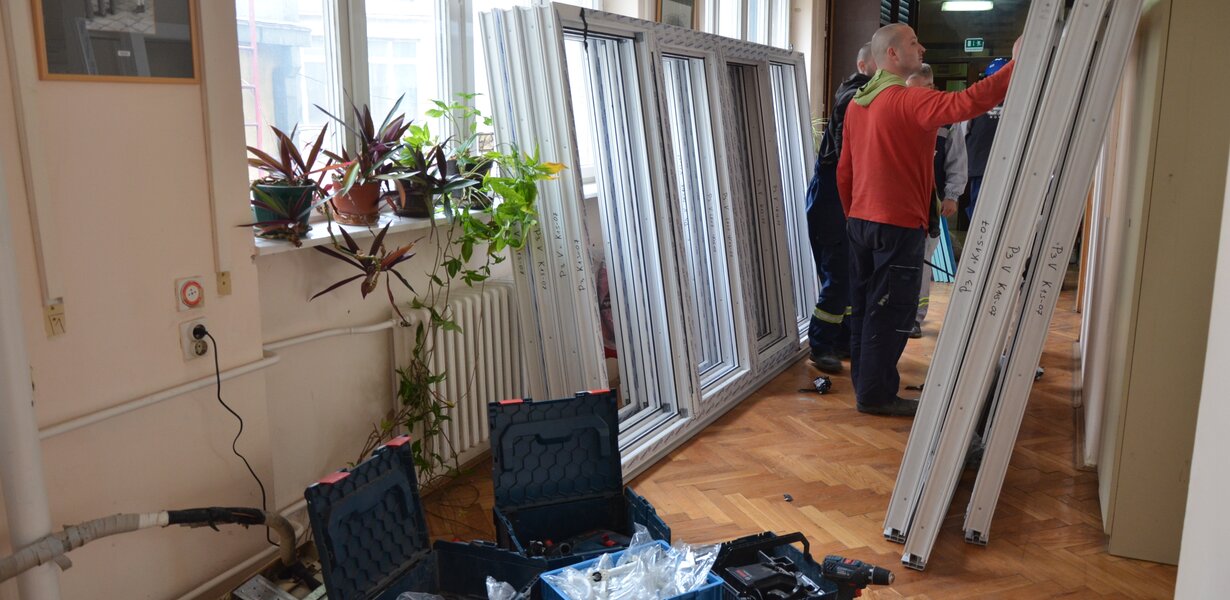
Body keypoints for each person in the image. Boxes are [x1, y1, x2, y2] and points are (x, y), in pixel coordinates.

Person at [837, 25, 1018, 416]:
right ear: (892, 55)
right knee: (891, 312)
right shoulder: (909, 100)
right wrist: (1016, 65)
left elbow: (844, 170)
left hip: (862, 223)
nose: (922, 48)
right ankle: (876, 396)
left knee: (865, 307)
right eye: (913, 43)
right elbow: (970, 101)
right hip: (897, 225)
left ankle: (867, 388)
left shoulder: (858, 103)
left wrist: (853, 215)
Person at [804, 44, 877, 374]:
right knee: (838, 273)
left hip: (845, 198)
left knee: (851, 273)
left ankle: (841, 339)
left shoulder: (866, 95)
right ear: (864, 65)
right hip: (832, 200)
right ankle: (821, 345)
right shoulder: (854, 97)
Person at [905, 64, 967, 339]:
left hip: (930, 203)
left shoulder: (946, 120)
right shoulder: (899, 111)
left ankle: (915, 317)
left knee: (922, 261)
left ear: (930, 87)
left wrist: (952, 195)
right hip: (899, 203)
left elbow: (956, 160)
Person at [964, 58, 1010, 219]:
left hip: (1004, 166)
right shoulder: (974, 100)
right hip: (982, 167)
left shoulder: (1023, 100)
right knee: (981, 209)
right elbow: (961, 134)